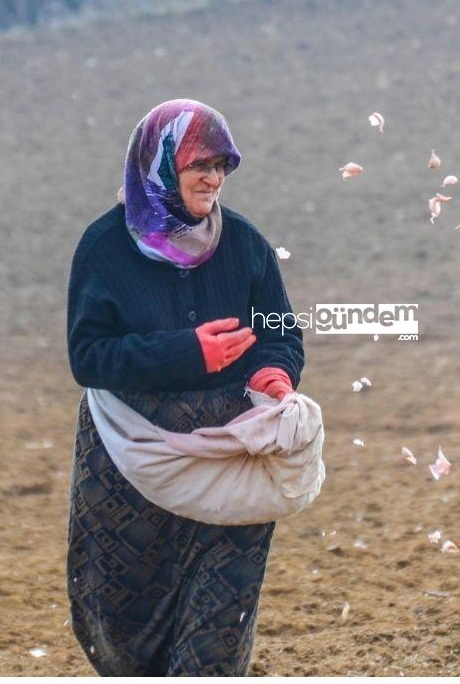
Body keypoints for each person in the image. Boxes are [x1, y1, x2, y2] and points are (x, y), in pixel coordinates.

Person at [64, 99, 304, 676]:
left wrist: (274, 374)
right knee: (122, 632)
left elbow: (279, 330)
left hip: (229, 457)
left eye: (223, 166)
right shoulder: (104, 250)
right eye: (200, 164)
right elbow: (88, 355)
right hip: (129, 464)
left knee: (217, 637)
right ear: (159, 164)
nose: (214, 179)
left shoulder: (244, 245)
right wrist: (186, 352)